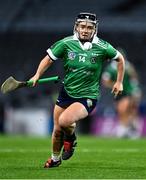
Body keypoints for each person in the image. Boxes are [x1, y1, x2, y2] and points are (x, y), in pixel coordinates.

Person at [30, 12, 125, 168]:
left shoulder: (102, 46)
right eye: (82, 26)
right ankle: (55, 159)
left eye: (89, 27)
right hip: (66, 92)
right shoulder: (66, 43)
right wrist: (37, 75)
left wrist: (119, 82)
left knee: (65, 121)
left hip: (87, 96)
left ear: (95, 29)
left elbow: (120, 59)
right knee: (58, 129)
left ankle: (71, 139)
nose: (85, 30)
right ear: (77, 27)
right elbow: (48, 59)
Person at [102, 48, 142, 138]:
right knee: (122, 111)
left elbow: (134, 77)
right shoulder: (111, 68)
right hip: (118, 93)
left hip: (128, 91)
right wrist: (115, 85)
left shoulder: (128, 66)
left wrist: (136, 88)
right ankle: (128, 129)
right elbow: (105, 81)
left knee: (128, 109)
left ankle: (127, 129)